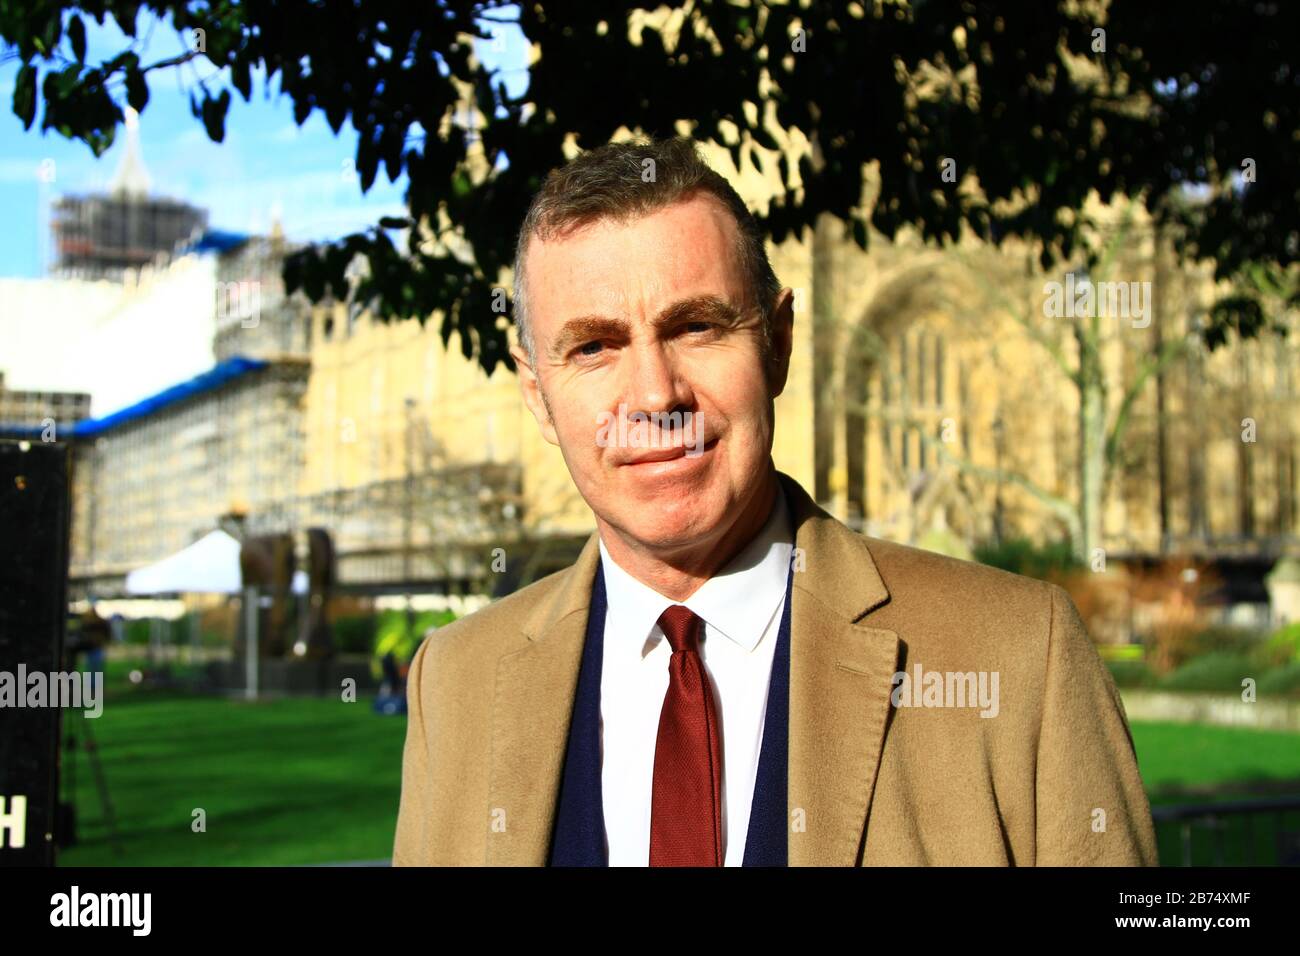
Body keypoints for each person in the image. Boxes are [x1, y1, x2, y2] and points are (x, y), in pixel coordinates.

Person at [392, 137, 1158, 866]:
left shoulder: (1021, 660)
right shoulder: (452, 686)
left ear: (779, 341)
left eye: (697, 326)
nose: (655, 395)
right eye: (593, 347)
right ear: (536, 393)